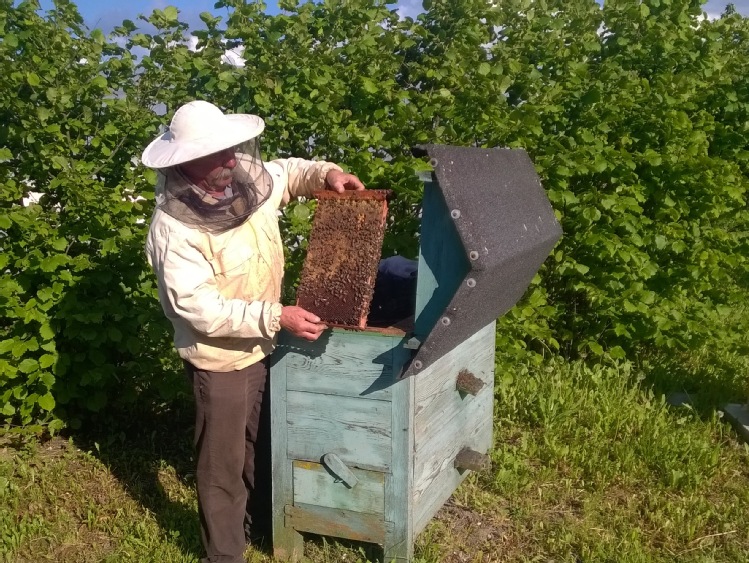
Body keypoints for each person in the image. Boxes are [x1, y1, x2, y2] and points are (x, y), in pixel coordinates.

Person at [142, 100, 365, 563]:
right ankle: (223, 555)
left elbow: (288, 171)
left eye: (231, 150)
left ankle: (259, 528)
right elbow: (197, 308)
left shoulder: (242, 175)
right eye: (216, 155)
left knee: (257, 447)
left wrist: (327, 173)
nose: (230, 160)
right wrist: (275, 317)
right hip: (219, 359)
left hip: (264, 346)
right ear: (185, 163)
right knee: (222, 464)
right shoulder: (173, 230)